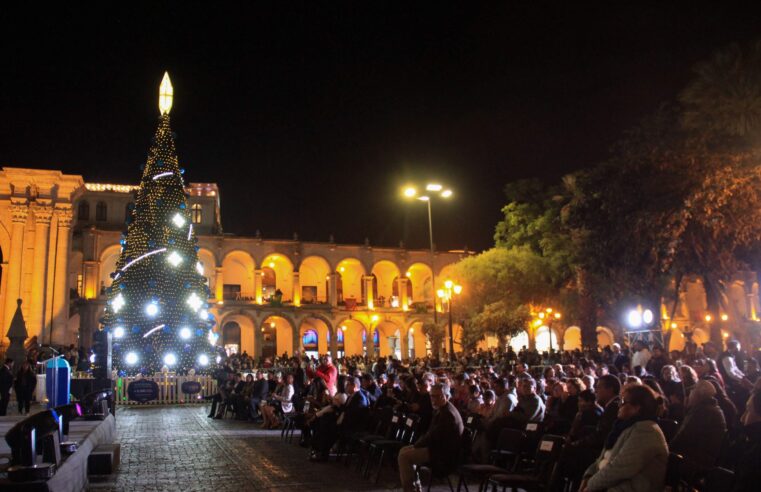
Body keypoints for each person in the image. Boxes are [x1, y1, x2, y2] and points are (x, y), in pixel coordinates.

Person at [580, 384, 668, 492]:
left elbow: (621, 468)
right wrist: (588, 476)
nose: (618, 406)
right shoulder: (624, 427)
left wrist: (590, 485)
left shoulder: (646, 430)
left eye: (622, 402)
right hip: (610, 485)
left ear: (637, 407)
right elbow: (603, 458)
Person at [398, 383, 464, 492]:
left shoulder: (448, 414)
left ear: (447, 396)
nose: (433, 399)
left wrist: (416, 446)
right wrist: (416, 445)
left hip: (444, 454)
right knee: (403, 451)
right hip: (437, 448)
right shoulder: (442, 409)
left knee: (404, 457)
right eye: (432, 396)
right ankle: (415, 487)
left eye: (438, 396)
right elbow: (431, 434)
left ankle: (410, 489)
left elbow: (433, 436)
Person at [669, 380, 726, 480]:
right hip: (703, 458)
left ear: (700, 394)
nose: (689, 394)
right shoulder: (712, 409)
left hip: (694, 461)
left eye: (692, 390)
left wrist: (666, 450)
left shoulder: (702, 412)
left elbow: (682, 438)